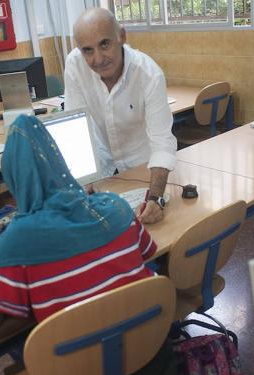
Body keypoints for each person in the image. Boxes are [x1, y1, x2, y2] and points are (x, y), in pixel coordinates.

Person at [0, 115, 157, 346]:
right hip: (148, 350)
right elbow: (147, 254)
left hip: (77, 371)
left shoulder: (19, 239)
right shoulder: (117, 206)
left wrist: (41, 308)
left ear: (12, 176)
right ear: (60, 161)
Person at [64, 7, 177, 224]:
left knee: (154, 233)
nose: (98, 59)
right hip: (103, 169)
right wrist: (82, 180)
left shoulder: (149, 74)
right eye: (87, 50)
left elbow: (162, 143)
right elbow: (76, 126)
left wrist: (155, 198)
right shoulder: (74, 65)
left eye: (104, 44)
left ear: (122, 37)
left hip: (144, 168)